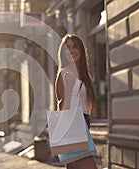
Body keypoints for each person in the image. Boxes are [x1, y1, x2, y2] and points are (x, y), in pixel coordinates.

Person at [55, 34, 97, 169]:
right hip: (72, 124)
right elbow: (61, 109)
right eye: (68, 48)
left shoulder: (85, 75)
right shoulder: (64, 74)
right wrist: (69, 87)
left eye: (75, 47)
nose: (72, 51)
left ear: (81, 49)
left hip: (83, 123)